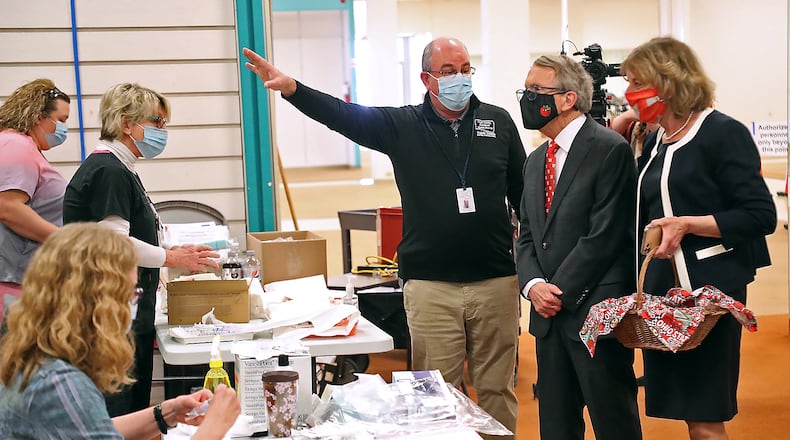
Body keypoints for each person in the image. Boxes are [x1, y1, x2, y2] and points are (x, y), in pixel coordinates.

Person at [243, 37, 525, 438]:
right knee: (435, 393)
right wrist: (293, 89)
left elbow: (523, 197)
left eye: (465, 69)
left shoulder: (497, 123)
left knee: (497, 388)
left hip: (496, 280)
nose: (460, 78)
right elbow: (343, 115)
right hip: (431, 286)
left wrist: (530, 267)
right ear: (427, 78)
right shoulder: (402, 126)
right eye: (448, 72)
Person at [621, 36, 776, 440]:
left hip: (710, 296)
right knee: (688, 410)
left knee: (706, 415)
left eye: (636, 81)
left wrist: (689, 224)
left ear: (666, 81)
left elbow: (760, 214)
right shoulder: (655, 138)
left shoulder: (722, 132)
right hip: (665, 295)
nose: (628, 93)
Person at [63, 83, 220, 416]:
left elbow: (129, 232)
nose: (162, 132)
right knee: (119, 408)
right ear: (126, 123)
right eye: (156, 122)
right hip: (108, 310)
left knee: (132, 404)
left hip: (123, 307)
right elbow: (114, 243)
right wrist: (171, 257)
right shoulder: (108, 171)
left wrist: (170, 249)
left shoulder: (121, 168)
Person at [0, 223, 240, 439]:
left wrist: (166, 414)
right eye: (128, 295)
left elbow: (91, 430)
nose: (129, 308)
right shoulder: (59, 383)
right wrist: (215, 426)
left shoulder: (33, 359)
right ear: (97, 302)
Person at [515, 54, 642, 440]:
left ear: (568, 98)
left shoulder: (609, 149)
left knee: (613, 421)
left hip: (596, 315)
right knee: (556, 425)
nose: (527, 98)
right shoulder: (536, 159)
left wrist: (560, 292)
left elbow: (605, 235)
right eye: (525, 90)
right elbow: (526, 235)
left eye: (536, 90)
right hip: (549, 319)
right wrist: (534, 285)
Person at [0, 79, 70, 316]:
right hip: (13, 280)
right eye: (60, 121)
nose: (63, 130)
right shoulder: (16, 145)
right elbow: (8, 207)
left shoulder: (23, 146)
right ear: (38, 116)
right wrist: (64, 239)